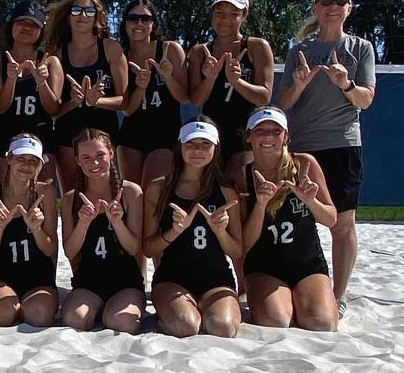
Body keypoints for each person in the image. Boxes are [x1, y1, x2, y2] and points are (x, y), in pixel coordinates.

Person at [278, 0, 376, 319]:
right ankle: (293, 288)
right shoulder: (298, 52)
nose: (334, 5)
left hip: (342, 144)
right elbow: (283, 102)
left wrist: (344, 82)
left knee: (343, 223)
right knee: (299, 218)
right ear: (316, 8)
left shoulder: (361, 48)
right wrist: (301, 83)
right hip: (303, 146)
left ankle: (339, 295)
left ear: (349, 8)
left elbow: (366, 99)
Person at [236, 107, 338, 331]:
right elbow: (244, 242)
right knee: (275, 321)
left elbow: (331, 219)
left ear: (286, 136)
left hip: (306, 263)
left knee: (321, 322)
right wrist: (261, 204)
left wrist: (311, 201)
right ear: (248, 136)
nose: (268, 136)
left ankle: (315, 298)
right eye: (260, 130)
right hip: (264, 265)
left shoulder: (303, 164)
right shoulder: (242, 174)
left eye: (275, 131)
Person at [144, 118, 243, 338]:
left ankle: (200, 309)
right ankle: (169, 317)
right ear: (180, 146)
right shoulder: (159, 188)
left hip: (216, 279)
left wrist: (220, 231)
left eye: (205, 144)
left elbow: (236, 251)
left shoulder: (226, 191)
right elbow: (148, 249)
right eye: (191, 144)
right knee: (185, 325)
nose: (197, 150)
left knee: (222, 327)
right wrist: (174, 232)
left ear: (216, 148)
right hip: (172, 278)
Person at [187, 0, 273, 179]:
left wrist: (238, 82)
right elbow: (196, 99)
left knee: (239, 179)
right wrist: (210, 77)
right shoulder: (200, 51)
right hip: (210, 129)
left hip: (243, 131)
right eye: (219, 13)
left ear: (244, 15)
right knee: (209, 184)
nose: (224, 20)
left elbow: (264, 97)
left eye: (233, 13)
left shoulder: (256, 47)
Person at [45, 0, 127, 201]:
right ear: (68, 15)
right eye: (77, 10)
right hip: (67, 133)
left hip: (104, 132)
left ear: (97, 17)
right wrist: (74, 102)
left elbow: (124, 99)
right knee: (74, 198)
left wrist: (96, 101)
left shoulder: (110, 48)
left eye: (88, 11)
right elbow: (54, 110)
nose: (82, 15)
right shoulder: (57, 53)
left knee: (107, 197)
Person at [61, 128, 145, 334]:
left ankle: (111, 308)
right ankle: (99, 308)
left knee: (121, 322)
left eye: (100, 155)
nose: (94, 163)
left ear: (111, 153)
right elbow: (70, 252)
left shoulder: (130, 192)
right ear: (78, 161)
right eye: (86, 158)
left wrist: (117, 222)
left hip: (125, 281)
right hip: (88, 281)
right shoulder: (72, 198)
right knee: (74, 319)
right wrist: (83, 223)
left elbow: (135, 248)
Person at [0, 133, 58, 327]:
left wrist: (36, 229)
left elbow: (50, 249)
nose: (26, 165)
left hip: (39, 275)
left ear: (40, 165)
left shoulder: (45, 192)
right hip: (3, 273)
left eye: (33, 161)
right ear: (9, 159)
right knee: (2, 314)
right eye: (20, 159)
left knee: (38, 315)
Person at [0, 0, 62, 188]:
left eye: (33, 25)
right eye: (21, 23)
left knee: (43, 194)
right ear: (11, 26)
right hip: (4, 132)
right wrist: (11, 79)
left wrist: (41, 82)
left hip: (40, 131)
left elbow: (53, 108)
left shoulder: (50, 61)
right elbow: (1, 107)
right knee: (4, 194)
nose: (27, 28)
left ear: (41, 31)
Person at [117, 0, 187, 192]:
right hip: (132, 132)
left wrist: (168, 76)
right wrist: (140, 86)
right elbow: (128, 110)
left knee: (152, 193)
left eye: (145, 19)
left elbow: (184, 97)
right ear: (125, 23)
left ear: (153, 24)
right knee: (131, 194)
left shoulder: (169, 49)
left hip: (165, 132)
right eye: (132, 18)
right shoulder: (120, 56)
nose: (139, 23)